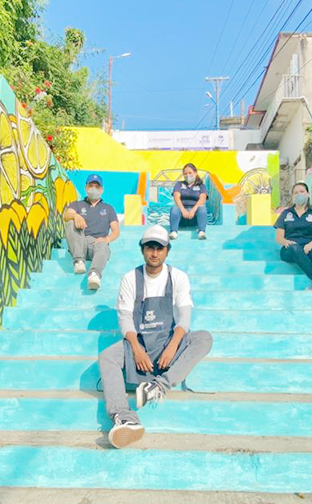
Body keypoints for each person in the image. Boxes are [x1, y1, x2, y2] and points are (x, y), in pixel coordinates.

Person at [98, 225, 213, 448]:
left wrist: (173, 346)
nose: (154, 253)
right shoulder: (130, 278)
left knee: (204, 338)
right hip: (139, 344)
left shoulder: (178, 277)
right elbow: (125, 318)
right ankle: (125, 418)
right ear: (142, 249)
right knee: (107, 356)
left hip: (168, 343)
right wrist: (137, 349)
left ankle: (159, 386)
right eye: (150, 247)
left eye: (159, 248)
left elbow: (184, 317)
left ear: (167, 250)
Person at [275, 182, 312, 292]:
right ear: (292, 196)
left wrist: (311, 244)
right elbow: (279, 237)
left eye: (302, 192)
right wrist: (286, 242)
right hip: (290, 249)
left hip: (308, 246)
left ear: (307, 194)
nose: (299, 194)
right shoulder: (286, 213)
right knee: (295, 248)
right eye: (296, 193)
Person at [63, 174, 119, 290]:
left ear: (101, 189)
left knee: (103, 245)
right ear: (86, 188)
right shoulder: (77, 205)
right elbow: (67, 215)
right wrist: (75, 215)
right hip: (80, 242)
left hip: (97, 244)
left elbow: (116, 230)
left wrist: (106, 239)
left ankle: (94, 275)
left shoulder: (108, 208)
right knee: (71, 222)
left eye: (97, 186)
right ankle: (78, 261)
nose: (93, 188)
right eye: (91, 185)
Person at [169, 163, 208, 240]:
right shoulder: (179, 184)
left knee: (202, 208)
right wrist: (183, 210)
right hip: (182, 216)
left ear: (195, 173)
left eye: (190, 173)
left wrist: (193, 210)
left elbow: (202, 199)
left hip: (194, 217)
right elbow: (176, 197)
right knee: (175, 208)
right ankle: (174, 231)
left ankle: (201, 232)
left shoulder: (201, 186)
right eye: (185, 174)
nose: (188, 175)